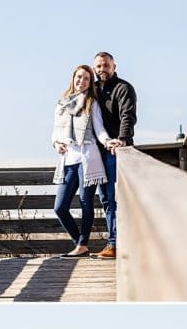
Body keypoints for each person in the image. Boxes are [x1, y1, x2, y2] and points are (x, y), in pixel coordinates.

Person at [51, 65, 114, 257]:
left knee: (86, 203)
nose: (82, 81)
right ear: (73, 78)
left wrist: (108, 141)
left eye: (87, 78)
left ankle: (82, 244)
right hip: (68, 160)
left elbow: (99, 128)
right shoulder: (61, 104)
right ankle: (80, 243)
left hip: (87, 158)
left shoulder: (91, 103)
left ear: (90, 82)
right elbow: (55, 131)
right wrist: (56, 143)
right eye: (79, 77)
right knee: (60, 207)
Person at [91, 51, 137, 260]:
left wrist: (123, 139)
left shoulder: (123, 88)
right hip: (96, 152)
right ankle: (114, 241)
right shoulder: (92, 91)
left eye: (106, 66)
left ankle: (116, 243)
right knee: (105, 199)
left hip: (115, 150)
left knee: (115, 197)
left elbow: (128, 115)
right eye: (99, 66)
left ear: (114, 67)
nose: (102, 70)